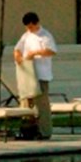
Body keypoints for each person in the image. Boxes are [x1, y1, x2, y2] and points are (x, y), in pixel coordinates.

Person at [12, 10, 56, 140]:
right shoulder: (26, 36)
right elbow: (17, 49)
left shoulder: (45, 35)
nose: (29, 29)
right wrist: (18, 56)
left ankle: (44, 131)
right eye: (27, 27)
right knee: (26, 103)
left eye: (31, 26)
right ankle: (28, 131)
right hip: (28, 75)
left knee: (42, 105)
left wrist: (35, 53)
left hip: (41, 74)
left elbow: (51, 51)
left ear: (36, 23)